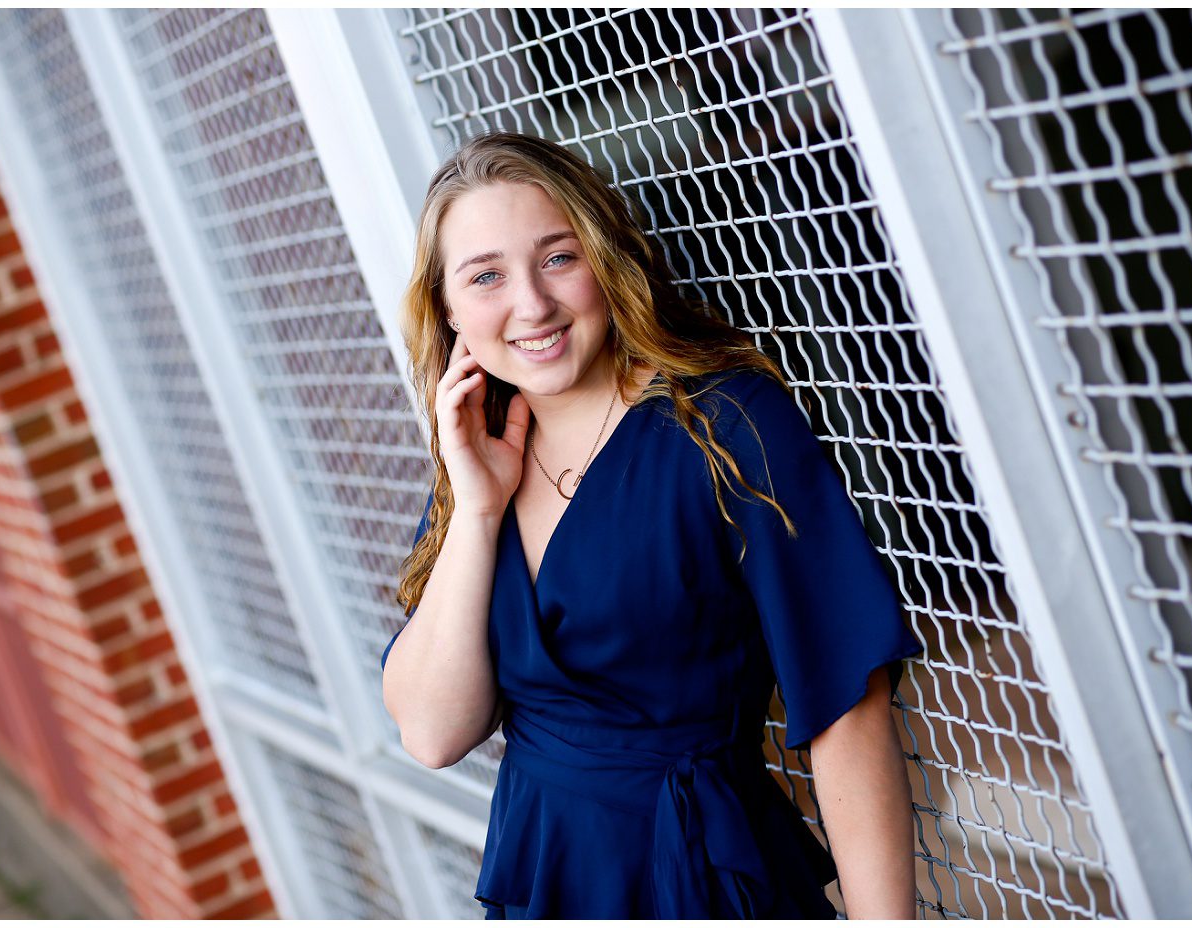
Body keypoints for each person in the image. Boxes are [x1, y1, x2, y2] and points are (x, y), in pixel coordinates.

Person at [379, 132, 923, 918]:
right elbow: (432, 733)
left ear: (606, 258)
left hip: (694, 870)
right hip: (549, 873)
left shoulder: (727, 423)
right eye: (487, 276)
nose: (531, 305)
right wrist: (477, 507)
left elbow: (844, 700)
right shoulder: (481, 451)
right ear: (450, 309)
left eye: (558, 258)